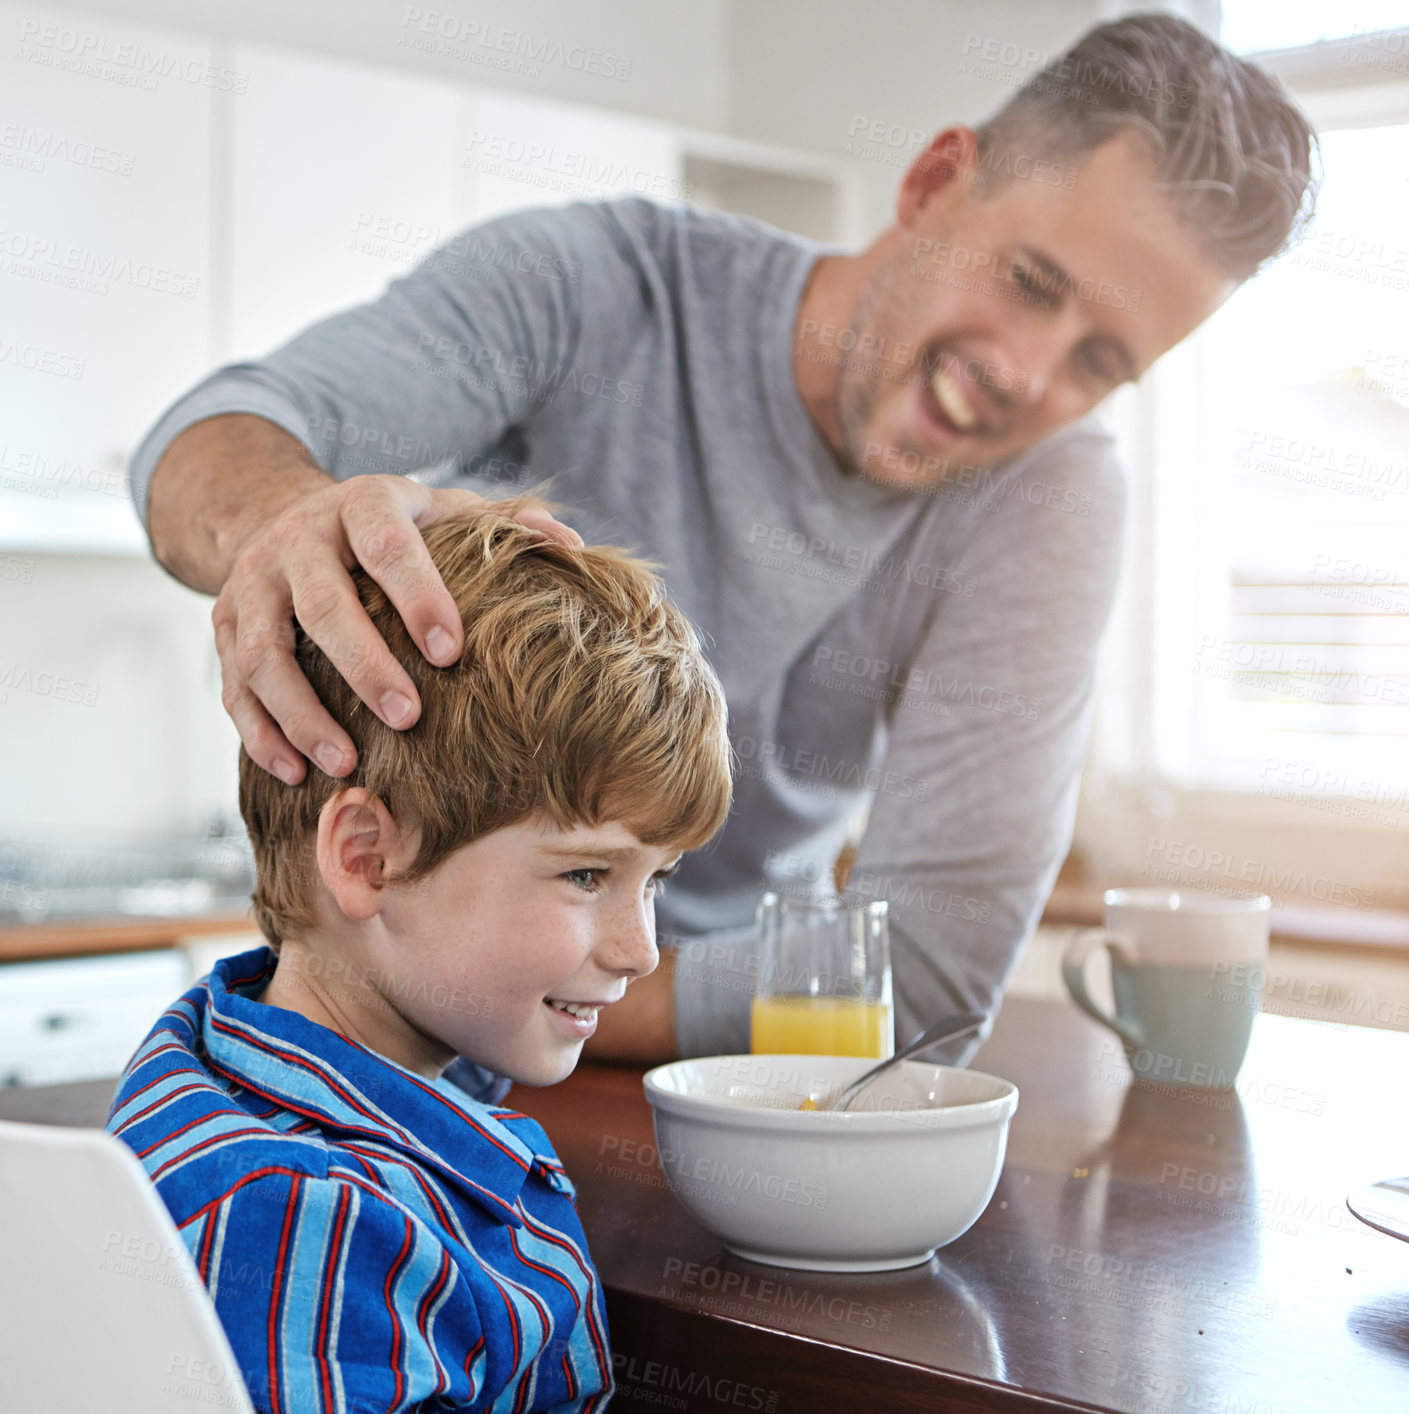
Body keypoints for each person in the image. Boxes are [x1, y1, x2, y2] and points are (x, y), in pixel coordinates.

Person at [129, 15, 1317, 1069]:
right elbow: (211, 437)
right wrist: (280, 514)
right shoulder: (597, 284)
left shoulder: (1051, 497)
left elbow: (933, 975)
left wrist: (540, 988)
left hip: (700, 1081)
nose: (1024, 372)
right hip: (416, 1053)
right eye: (1026, 280)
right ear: (934, 180)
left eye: (1101, 362)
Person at [105, 497, 734, 1414]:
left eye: (657, 881)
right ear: (368, 858)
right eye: (589, 875)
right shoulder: (305, 1223)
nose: (642, 950)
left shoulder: (235, 1059)